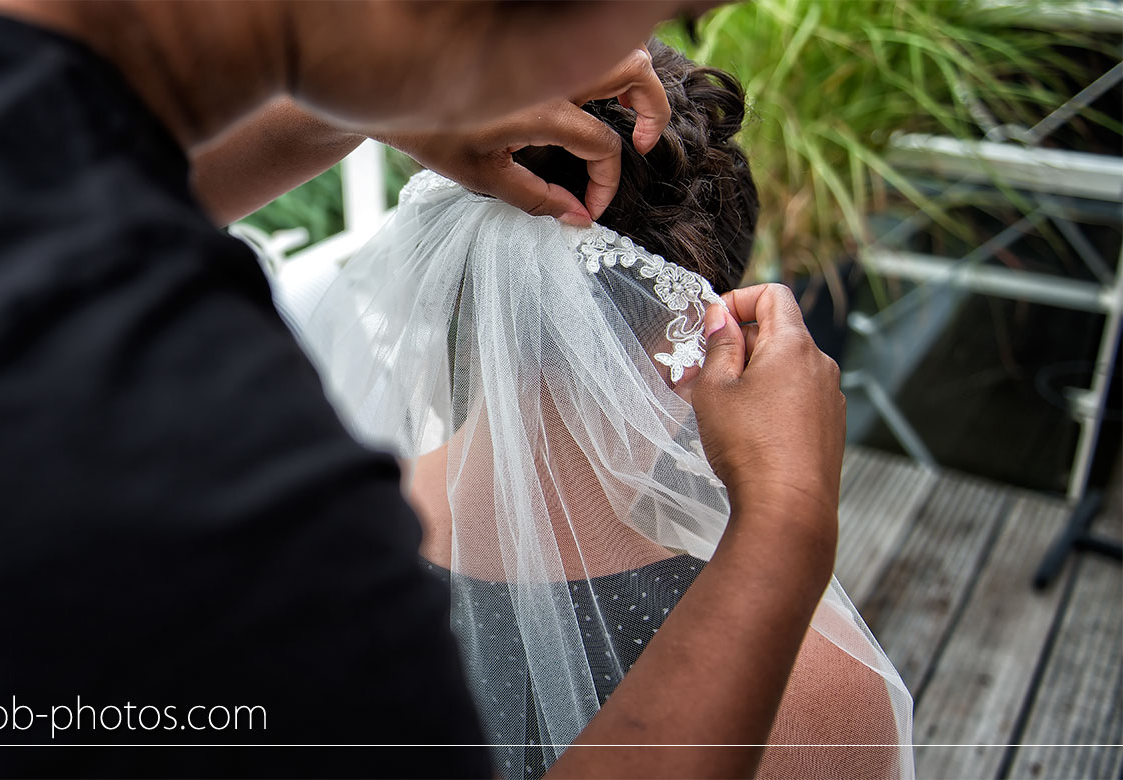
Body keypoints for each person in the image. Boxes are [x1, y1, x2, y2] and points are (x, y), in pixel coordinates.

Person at [0, 2, 851, 777]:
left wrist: (341, 107)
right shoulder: (270, 521)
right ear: (692, 327)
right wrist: (786, 517)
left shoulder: (0, 132)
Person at [299, 40, 913, 779]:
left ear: (450, 283)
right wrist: (792, 512)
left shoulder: (299, 555)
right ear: (699, 328)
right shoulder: (816, 690)